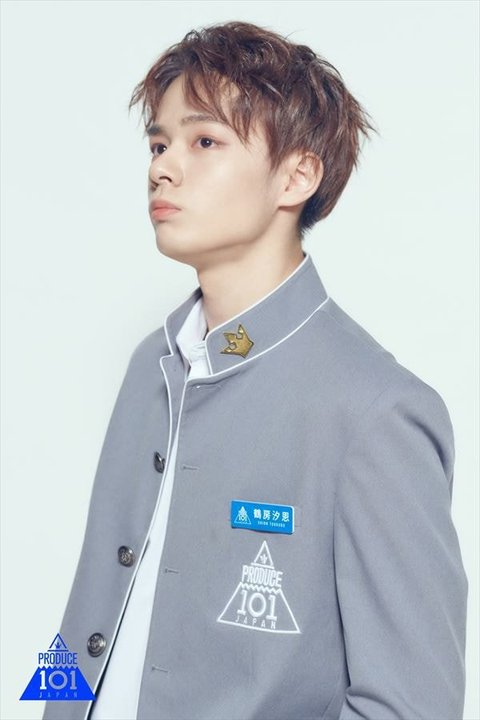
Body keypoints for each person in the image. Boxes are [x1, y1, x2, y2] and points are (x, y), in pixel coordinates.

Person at [43, 19, 468, 720]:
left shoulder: (375, 411)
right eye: (158, 143)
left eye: (204, 141)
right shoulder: (151, 364)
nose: (162, 168)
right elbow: (89, 613)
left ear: (297, 175)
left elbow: (410, 706)